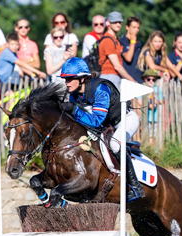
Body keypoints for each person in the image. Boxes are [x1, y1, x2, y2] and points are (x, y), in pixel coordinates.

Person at [59, 57, 145, 201]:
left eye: (70, 79)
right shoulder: (74, 95)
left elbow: (96, 120)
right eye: (65, 79)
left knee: (114, 145)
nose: (66, 83)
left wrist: (74, 110)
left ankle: (136, 188)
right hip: (107, 126)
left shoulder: (100, 89)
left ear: (82, 79)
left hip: (125, 119)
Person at [0, 33, 46, 108]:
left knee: (18, 96)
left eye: (16, 44)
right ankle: (6, 117)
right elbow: (21, 64)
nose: (15, 46)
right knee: (11, 96)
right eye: (12, 44)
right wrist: (38, 72)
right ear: (7, 44)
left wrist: (33, 75)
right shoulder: (7, 53)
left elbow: (20, 67)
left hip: (4, 82)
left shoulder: (13, 54)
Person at [97, 11, 136, 88]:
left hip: (114, 76)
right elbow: (117, 66)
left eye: (120, 22)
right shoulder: (108, 40)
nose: (118, 24)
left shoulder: (115, 40)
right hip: (109, 76)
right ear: (108, 22)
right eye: (115, 22)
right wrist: (132, 80)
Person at [9, 18, 40, 84]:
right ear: (16, 28)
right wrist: (30, 60)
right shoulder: (12, 43)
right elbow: (13, 62)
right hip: (16, 77)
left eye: (26, 27)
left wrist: (21, 63)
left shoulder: (33, 44)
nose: (23, 29)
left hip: (30, 79)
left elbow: (37, 64)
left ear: (28, 28)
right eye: (20, 27)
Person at [137, 69, 163, 144]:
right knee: (145, 133)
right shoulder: (142, 88)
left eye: (153, 79)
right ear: (145, 79)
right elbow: (140, 102)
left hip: (155, 117)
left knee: (153, 134)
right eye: (149, 79)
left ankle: (152, 149)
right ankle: (146, 148)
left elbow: (161, 100)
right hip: (145, 117)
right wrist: (148, 104)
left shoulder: (157, 89)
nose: (151, 81)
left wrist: (155, 101)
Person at [118, 16, 142, 83]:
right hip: (127, 80)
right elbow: (128, 58)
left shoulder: (139, 43)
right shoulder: (122, 41)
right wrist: (132, 42)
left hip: (138, 79)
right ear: (127, 27)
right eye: (134, 27)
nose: (136, 30)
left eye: (138, 28)